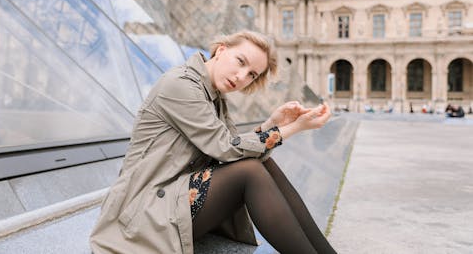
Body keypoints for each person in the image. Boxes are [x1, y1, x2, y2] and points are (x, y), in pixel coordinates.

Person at [89, 30, 336, 254]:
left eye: (251, 74)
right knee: (250, 172)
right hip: (141, 213)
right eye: (241, 61)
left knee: (262, 166)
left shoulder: (214, 96)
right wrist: (293, 128)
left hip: (172, 199)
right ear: (221, 50)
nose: (241, 77)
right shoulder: (180, 85)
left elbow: (235, 146)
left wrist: (272, 124)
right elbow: (226, 148)